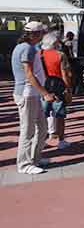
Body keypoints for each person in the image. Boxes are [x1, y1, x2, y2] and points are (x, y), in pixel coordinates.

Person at [12, 22, 53, 174]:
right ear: (34, 34)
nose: (43, 35)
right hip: (27, 93)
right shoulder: (27, 48)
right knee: (28, 130)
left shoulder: (28, 47)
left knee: (42, 129)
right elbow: (29, 74)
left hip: (32, 94)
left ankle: (34, 159)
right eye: (41, 33)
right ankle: (24, 164)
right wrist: (45, 93)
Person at [40, 32, 73, 150]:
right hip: (59, 88)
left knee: (42, 116)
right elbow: (65, 74)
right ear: (54, 43)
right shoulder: (60, 55)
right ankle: (61, 141)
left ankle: (41, 140)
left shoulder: (40, 54)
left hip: (43, 88)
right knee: (60, 116)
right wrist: (68, 89)